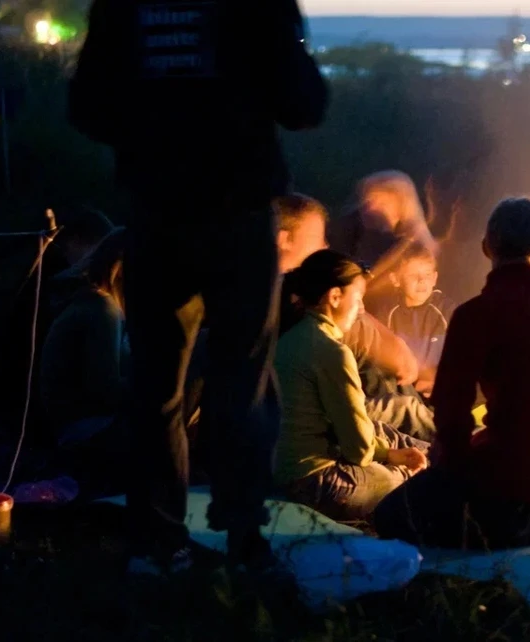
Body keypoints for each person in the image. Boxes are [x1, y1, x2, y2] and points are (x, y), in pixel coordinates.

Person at [69, 0, 328, 573]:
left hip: (155, 214)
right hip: (237, 213)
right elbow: (304, 104)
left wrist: (152, 133)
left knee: (155, 382)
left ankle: (158, 543)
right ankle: (242, 539)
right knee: (242, 376)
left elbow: (86, 106)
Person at [374, 198, 530, 550]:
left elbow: (451, 417)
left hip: (500, 476)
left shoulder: (474, 316)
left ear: (487, 247)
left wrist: (452, 469)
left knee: (388, 515)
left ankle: (487, 546)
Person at [274, 250, 428, 521]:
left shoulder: (290, 339)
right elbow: (357, 448)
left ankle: (433, 457)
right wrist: (393, 459)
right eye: (357, 299)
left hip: (283, 470)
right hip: (317, 482)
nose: (361, 309)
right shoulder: (331, 351)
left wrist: (391, 451)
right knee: (405, 478)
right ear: (334, 297)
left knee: (383, 430)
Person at [276, 194, 437, 440]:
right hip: (332, 421)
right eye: (318, 238)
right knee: (407, 410)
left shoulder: (243, 297)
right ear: (284, 239)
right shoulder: (311, 301)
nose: (325, 247)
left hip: (326, 415)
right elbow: (400, 361)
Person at [39, 229, 130, 492]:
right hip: (84, 432)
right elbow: (105, 391)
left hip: (79, 425)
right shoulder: (102, 311)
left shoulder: (95, 304)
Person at [327, 171, 437, 302]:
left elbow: (367, 290)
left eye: (379, 201)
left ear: (401, 203)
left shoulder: (415, 248)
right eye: (366, 200)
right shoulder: (368, 239)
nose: (368, 207)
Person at [377, 243, 457, 396]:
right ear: (396, 280)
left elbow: (463, 354)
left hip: (440, 388)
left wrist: (437, 377)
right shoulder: (386, 314)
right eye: (413, 275)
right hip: (402, 390)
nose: (421, 281)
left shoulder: (447, 311)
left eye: (427, 275)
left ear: (434, 278)